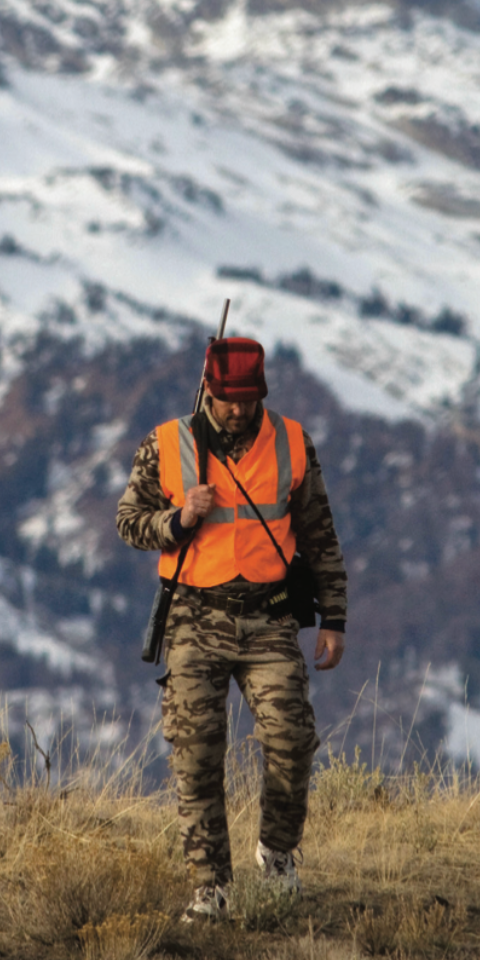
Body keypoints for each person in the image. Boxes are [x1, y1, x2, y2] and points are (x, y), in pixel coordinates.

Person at [116, 336, 347, 921]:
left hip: (271, 617)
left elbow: (319, 535)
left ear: (262, 392)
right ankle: (211, 887)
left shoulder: (293, 443)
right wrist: (178, 518)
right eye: (227, 400)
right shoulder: (167, 444)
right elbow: (128, 522)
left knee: (292, 743)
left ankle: (277, 855)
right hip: (195, 615)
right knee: (195, 753)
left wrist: (333, 617)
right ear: (209, 392)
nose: (238, 410)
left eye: (247, 399)